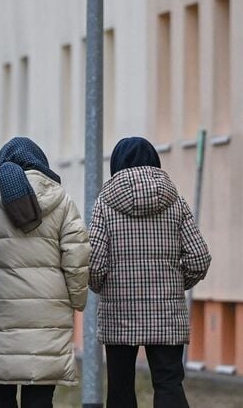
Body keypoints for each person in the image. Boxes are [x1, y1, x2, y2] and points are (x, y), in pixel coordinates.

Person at [88, 137, 211, 408]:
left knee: (120, 388)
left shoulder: (104, 204)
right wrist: (176, 283)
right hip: (167, 313)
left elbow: (93, 263)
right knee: (168, 383)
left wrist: (102, 286)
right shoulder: (175, 202)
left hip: (119, 311)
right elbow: (199, 257)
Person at [0, 137, 89, 408]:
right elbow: (77, 256)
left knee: (0, 389)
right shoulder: (62, 202)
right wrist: (77, 300)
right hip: (47, 310)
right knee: (39, 394)